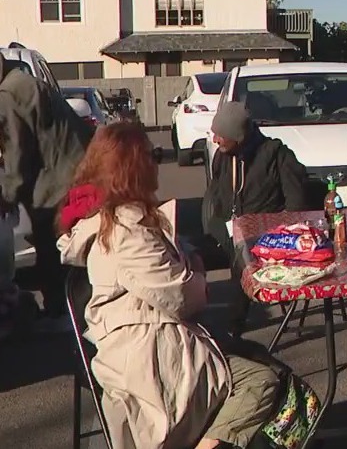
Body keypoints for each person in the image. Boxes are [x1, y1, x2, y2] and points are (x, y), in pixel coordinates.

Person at [56, 123, 279, 449]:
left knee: (254, 357)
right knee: (261, 379)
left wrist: (187, 267)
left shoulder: (104, 220)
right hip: (148, 359)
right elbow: (183, 297)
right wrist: (195, 274)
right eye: (153, 155)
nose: (158, 162)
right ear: (134, 167)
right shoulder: (128, 231)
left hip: (135, 344)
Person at [0, 55, 92, 332]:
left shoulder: (9, 94)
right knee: (71, 249)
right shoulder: (25, 82)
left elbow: (18, 152)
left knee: (53, 250)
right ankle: (71, 308)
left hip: (55, 183)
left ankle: (61, 312)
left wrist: (7, 195)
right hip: (72, 174)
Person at [203, 101, 309, 337]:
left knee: (242, 261)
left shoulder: (276, 155)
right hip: (230, 229)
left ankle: (233, 329)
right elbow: (216, 193)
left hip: (266, 234)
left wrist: (281, 235)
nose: (215, 140)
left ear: (238, 137)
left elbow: (296, 202)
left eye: (221, 135)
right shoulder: (223, 157)